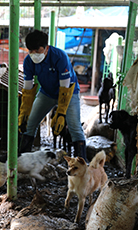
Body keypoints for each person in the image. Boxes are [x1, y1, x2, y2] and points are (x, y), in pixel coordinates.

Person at [18, 29, 87, 161]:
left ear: (46, 48)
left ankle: (82, 163)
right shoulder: (28, 61)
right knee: (29, 123)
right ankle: (22, 160)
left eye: (37, 51)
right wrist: (24, 112)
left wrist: (61, 113)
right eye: (30, 51)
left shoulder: (59, 56)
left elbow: (65, 87)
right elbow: (28, 89)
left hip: (69, 92)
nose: (34, 54)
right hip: (46, 93)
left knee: (74, 126)